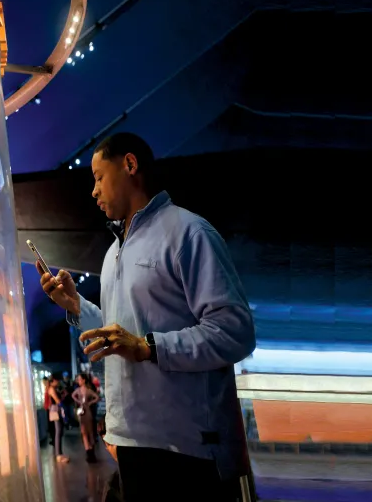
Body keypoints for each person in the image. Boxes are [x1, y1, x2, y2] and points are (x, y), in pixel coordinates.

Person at [39, 132, 256, 501]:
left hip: (187, 450)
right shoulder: (112, 255)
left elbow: (235, 331)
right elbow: (121, 336)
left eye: (98, 177)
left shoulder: (189, 233)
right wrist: (76, 306)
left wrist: (148, 347)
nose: (93, 191)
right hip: (129, 443)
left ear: (129, 165)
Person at [72, 373, 100, 462]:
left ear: (84, 380)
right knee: (83, 432)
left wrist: (90, 403)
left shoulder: (88, 390)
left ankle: (92, 453)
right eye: (78, 380)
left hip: (87, 412)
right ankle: (88, 451)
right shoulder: (78, 390)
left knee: (90, 432)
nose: (78, 381)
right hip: (82, 412)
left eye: (80, 379)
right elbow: (73, 395)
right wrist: (79, 401)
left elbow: (97, 397)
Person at [46, 376, 69, 463]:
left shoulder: (54, 388)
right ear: (53, 381)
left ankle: (60, 453)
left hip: (56, 409)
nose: (58, 382)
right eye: (57, 380)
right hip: (55, 410)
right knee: (58, 431)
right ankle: (58, 454)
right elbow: (57, 400)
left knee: (59, 431)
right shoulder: (51, 389)